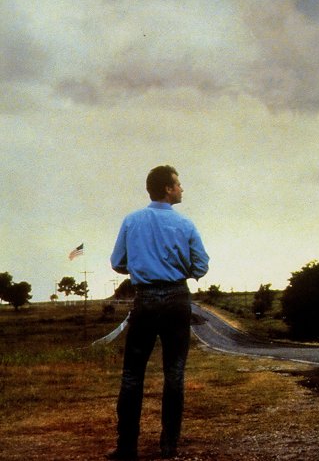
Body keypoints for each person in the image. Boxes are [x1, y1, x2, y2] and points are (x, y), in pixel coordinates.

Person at [107, 165, 210, 460]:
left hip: (146, 298)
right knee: (174, 374)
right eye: (178, 184)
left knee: (132, 375)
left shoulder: (131, 221)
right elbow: (201, 266)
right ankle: (169, 444)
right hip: (177, 298)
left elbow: (117, 262)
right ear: (167, 188)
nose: (181, 189)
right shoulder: (186, 225)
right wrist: (178, 269)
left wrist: (141, 266)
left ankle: (127, 446)